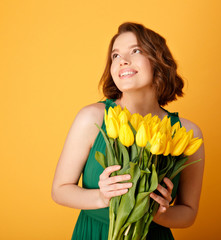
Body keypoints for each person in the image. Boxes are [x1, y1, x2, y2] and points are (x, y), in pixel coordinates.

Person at [51, 22, 205, 240]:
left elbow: (188, 213)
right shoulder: (92, 118)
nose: (122, 60)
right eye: (115, 56)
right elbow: (59, 190)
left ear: (159, 62)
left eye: (136, 51)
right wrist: (102, 198)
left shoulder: (187, 133)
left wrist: (157, 211)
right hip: (95, 234)